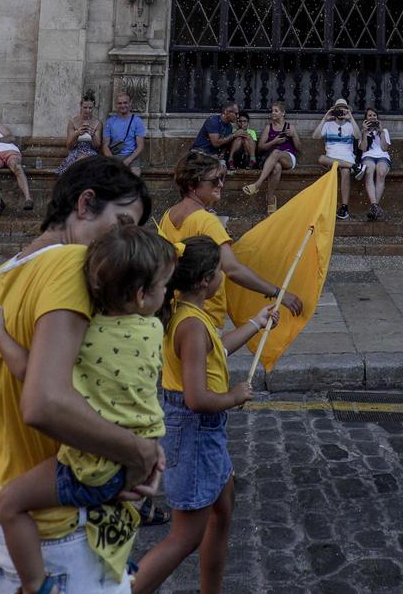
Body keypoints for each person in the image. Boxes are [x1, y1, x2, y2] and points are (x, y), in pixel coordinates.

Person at [0, 157, 159, 594]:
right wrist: (138, 453)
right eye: (123, 223)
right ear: (85, 203)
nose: (126, 243)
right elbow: (45, 402)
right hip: (61, 538)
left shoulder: (0, 276)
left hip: (14, 522)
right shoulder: (74, 264)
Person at [130, 237, 278, 594]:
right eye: (220, 273)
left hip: (205, 434)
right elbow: (197, 399)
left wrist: (258, 322)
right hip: (194, 431)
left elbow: (219, 348)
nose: (223, 277)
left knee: (223, 509)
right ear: (204, 281)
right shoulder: (191, 325)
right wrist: (234, 396)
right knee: (185, 538)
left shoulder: (191, 314)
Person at [157, 152, 305, 338]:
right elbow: (232, 269)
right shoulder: (206, 221)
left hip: (176, 310)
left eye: (222, 178)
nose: (221, 184)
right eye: (215, 180)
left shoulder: (168, 214)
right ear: (192, 185)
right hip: (204, 313)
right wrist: (279, 293)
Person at [240, 102, 300, 211]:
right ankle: (271, 199)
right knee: (276, 167)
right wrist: (274, 141)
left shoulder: (290, 127)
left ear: (283, 113)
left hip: (288, 158)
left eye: (276, 111)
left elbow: (299, 148)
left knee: (277, 152)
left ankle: (257, 184)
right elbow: (260, 147)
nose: (273, 113)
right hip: (272, 159)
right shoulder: (269, 128)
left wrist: (293, 136)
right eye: (272, 111)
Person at [316, 98, 359, 222]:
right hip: (330, 158)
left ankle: (344, 207)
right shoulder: (328, 124)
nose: (341, 111)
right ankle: (353, 166)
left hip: (346, 157)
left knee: (345, 171)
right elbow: (315, 136)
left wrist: (351, 118)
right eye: (338, 109)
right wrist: (324, 119)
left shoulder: (351, 125)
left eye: (343, 109)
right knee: (321, 158)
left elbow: (358, 136)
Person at [356, 105, 392, 221]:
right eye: (370, 115)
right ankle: (375, 205)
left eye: (374, 115)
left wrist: (381, 132)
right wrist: (364, 133)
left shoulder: (384, 131)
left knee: (381, 172)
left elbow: (385, 148)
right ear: (366, 118)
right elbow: (363, 148)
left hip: (382, 156)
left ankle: (374, 207)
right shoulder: (362, 132)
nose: (372, 118)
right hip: (368, 156)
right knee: (369, 170)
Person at [102, 92, 147, 176]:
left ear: (130, 103)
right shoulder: (110, 122)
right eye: (120, 103)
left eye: (125, 103)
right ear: (116, 105)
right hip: (114, 155)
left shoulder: (137, 121)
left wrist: (128, 161)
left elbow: (140, 146)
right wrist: (113, 161)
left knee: (135, 174)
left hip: (131, 156)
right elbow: (105, 145)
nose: (122, 106)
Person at [64, 92, 103, 168]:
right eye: (85, 107)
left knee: (86, 161)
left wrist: (92, 134)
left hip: (91, 152)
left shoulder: (97, 123)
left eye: (90, 108)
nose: (88, 110)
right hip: (75, 152)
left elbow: (97, 146)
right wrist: (77, 133)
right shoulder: (72, 122)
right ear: (81, 106)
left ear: (94, 107)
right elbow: (69, 145)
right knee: (79, 161)